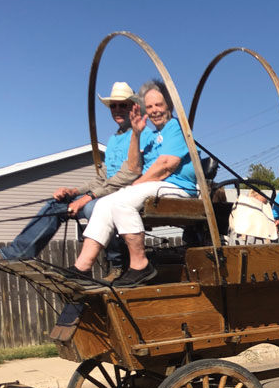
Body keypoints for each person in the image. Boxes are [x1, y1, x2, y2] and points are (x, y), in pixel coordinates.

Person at [0, 82, 154, 279]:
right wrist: (73, 191)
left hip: (126, 193)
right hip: (108, 190)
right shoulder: (115, 138)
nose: (117, 110)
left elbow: (127, 176)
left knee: (93, 208)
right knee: (57, 204)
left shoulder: (142, 135)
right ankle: (19, 252)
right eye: (113, 105)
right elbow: (103, 178)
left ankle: (118, 262)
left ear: (134, 106)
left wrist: (88, 197)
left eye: (122, 105)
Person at [67, 80, 198, 287]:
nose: (155, 111)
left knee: (121, 201)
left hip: (177, 187)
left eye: (159, 105)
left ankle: (140, 265)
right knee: (104, 203)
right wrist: (136, 134)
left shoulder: (176, 127)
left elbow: (165, 166)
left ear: (169, 106)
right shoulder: (151, 135)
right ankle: (82, 266)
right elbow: (134, 166)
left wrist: (133, 186)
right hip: (153, 186)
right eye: (150, 107)